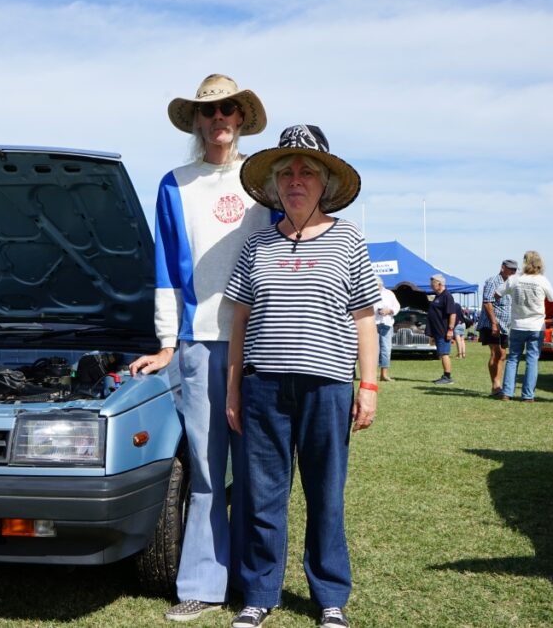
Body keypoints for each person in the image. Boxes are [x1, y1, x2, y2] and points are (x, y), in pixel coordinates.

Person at [128, 74, 270, 622]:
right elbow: (165, 268)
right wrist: (167, 342)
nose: (218, 121)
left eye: (228, 111)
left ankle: (255, 587)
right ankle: (203, 586)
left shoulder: (262, 180)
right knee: (209, 471)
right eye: (208, 112)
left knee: (259, 472)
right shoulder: (174, 183)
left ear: (241, 120)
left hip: (260, 343)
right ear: (196, 121)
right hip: (198, 342)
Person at [224, 125, 378, 628]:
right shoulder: (256, 245)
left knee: (325, 494)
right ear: (274, 183)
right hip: (262, 387)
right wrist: (233, 388)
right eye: (286, 171)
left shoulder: (349, 239)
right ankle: (259, 593)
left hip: (328, 388)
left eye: (306, 171)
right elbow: (239, 322)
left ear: (324, 182)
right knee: (263, 495)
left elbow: (365, 321)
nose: (295, 179)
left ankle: (330, 595)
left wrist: (369, 387)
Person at [495, 251, 553, 401]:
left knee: (513, 359)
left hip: (517, 325)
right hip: (536, 326)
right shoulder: (542, 280)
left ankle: (507, 393)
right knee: (532, 359)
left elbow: (497, 294)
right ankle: (528, 395)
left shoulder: (515, 279)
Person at [477, 259, 517, 397]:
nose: (513, 272)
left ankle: (498, 385)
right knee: (497, 353)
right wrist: (494, 323)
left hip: (505, 326)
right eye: (511, 269)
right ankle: (496, 386)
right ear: (502, 268)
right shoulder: (493, 281)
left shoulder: (512, 283)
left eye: (515, 270)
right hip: (492, 324)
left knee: (503, 355)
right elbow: (487, 302)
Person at [426, 274, 459, 385]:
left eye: (433, 283)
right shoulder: (437, 296)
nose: (431, 285)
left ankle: (447, 377)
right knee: (441, 353)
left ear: (439, 284)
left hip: (443, 330)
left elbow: (452, 314)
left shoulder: (447, 296)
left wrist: (450, 330)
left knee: (444, 353)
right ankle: (445, 375)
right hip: (437, 330)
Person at [374, 275, 401, 381]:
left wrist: (389, 311)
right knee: (374, 350)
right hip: (373, 324)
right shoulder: (369, 294)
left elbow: (397, 306)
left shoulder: (389, 294)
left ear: (380, 284)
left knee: (386, 349)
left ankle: (384, 375)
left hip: (387, 324)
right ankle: (372, 375)